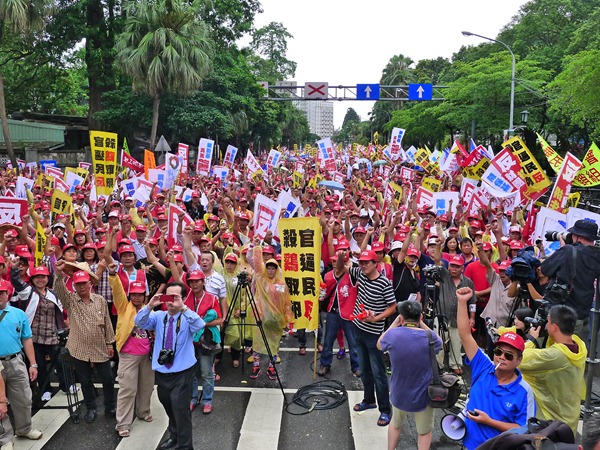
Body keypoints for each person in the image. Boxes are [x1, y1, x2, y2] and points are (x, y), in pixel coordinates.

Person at [456, 286, 536, 450]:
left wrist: (489, 422)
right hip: (468, 445)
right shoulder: (484, 366)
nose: (501, 357)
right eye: (498, 351)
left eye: (508, 355)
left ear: (518, 361)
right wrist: (462, 302)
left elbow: (524, 429)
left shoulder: (524, 391)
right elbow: (465, 334)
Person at [134, 281, 205, 450]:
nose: (171, 301)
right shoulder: (159, 317)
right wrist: (150, 305)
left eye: (176, 297)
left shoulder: (187, 317)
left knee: (180, 409)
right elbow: (140, 322)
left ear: (183, 298)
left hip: (182, 371)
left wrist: (183, 308)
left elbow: (200, 325)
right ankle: (174, 436)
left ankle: (186, 446)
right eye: (169, 297)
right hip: (163, 371)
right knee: (168, 405)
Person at [338, 249, 396, 427]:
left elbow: (393, 306)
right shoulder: (360, 275)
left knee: (378, 373)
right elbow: (342, 268)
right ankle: (369, 400)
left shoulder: (384, 283)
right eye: (361, 262)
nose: (362, 265)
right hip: (358, 329)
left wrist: (377, 317)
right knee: (364, 369)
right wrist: (341, 258)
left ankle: (385, 410)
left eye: (366, 263)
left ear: (375, 263)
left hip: (375, 334)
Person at [53, 261, 116, 424]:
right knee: (86, 380)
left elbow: (107, 322)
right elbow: (59, 290)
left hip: (100, 346)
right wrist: (59, 274)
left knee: (108, 378)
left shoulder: (100, 300)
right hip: (78, 348)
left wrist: (110, 343)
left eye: (84, 283)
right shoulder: (71, 301)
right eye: (78, 284)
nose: (81, 287)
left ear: (90, 284)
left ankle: (110, 406)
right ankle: (91, 408)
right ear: (74, 285)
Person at [377, 300, 441, 450]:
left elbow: (379, 344)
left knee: (396, 424)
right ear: (420, 316)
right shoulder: (429, 338)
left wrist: (394, 323)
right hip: (424, 394)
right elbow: (438, 341)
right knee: (424, 432)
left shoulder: (393, 335)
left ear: (401, 317)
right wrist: (422, 323)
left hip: (399, 391)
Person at [519, 304, 586, 434]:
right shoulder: (579, 344)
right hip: (570, 416)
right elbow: (555, 344)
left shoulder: (554, 356)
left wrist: (532, 339)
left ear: (554, 327)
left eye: (548, 322)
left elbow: (519, 358)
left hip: (552, 422)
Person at [9, 263, 68, 402]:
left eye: (43, 277)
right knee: (39, 365)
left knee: (60, 362)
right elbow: (16, 281)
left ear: (48, 278)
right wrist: (14, 269)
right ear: (32, 279)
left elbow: (59, 313)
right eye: (37, 277)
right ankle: (45, 389)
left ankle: (67, 385)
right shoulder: (28, 292)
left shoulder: (53, 294)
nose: (40, 280)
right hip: (33, 337)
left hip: (51, 335)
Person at [108, 269, 154, 438]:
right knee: (127, 390)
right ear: (129, 296)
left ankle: (143, 411)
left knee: (147, 387)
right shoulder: (123, 306)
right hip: (128, 356)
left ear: (144, 295)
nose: (136, 297)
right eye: (133, 294)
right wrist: (113, 276)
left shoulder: (150, 310)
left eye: (140, 294)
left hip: (147, 356)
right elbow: (118, 290)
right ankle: (123, 423)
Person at [540, 219, 600, 346]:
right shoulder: (596, 255)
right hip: (581, 315)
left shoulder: (568, 250)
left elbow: (545, 268)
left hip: (559, 312)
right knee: (570, 351)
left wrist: (564, 250)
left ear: (577, 235)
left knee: (550, 350)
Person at [0, 279, 43, 447]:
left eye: (2, 292)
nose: (0, 296)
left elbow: (27, 339)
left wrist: (33, 364)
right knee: (0, 402)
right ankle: (4, 439)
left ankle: (24, 429)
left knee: (23, 398)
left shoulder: (19, 313)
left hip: (16, 360)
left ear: (7, 294)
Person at [249, 238, 291, 380]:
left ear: (277, 269)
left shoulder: (282, 284)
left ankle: (271, 368)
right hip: (261, 317)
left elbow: (286, 303)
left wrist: (288, 319)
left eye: (273, 268)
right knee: (258, 343)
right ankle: (256, 366)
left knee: (274, 344)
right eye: (269, 268)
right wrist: (256, 247)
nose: (271, 270)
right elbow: (256, 263)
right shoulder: (261, 279)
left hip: (276, 320)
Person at [433, 244, 477, 375]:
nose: (453, 268)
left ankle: (455, 364)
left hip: (459, 318)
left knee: (457, 342)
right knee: (439, 342)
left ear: (462, 268)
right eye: (452, 265)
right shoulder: (444, 276)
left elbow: (472, 302)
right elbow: (436, 259)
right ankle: (438, 365)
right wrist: (438, 245)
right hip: (441, 315)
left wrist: (472, 318)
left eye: (457, 266)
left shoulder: (468, 282)